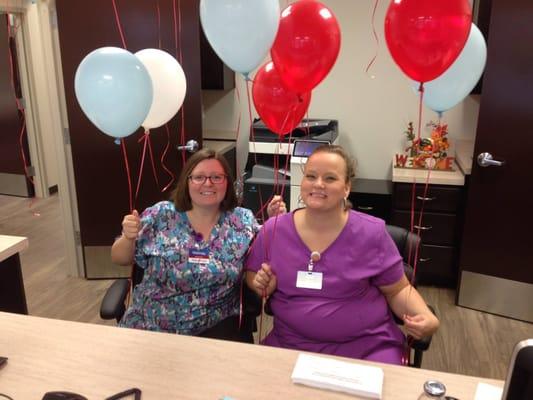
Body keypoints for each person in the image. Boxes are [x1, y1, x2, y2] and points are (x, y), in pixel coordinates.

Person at [245, 144, 439, 364]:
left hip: (366, 347)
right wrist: (260, 283)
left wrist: (427, 317)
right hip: (290, 344)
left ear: (346, 188)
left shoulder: (371, 233)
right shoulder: (275, 229)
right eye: (311, 176)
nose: (318, 184)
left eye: (330, 178)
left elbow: (398, 289)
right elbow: (252, 274)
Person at [111, 148, 285, 342]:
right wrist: (128, 238)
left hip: (214, 330)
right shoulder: (160, 215)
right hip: (150, 326)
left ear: (227, 182)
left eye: (217, 177)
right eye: (199, 177)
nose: (208, 183)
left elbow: (267, 247)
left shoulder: (242, 221)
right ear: (187, 181)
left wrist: (274, 220)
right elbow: (120, 259)